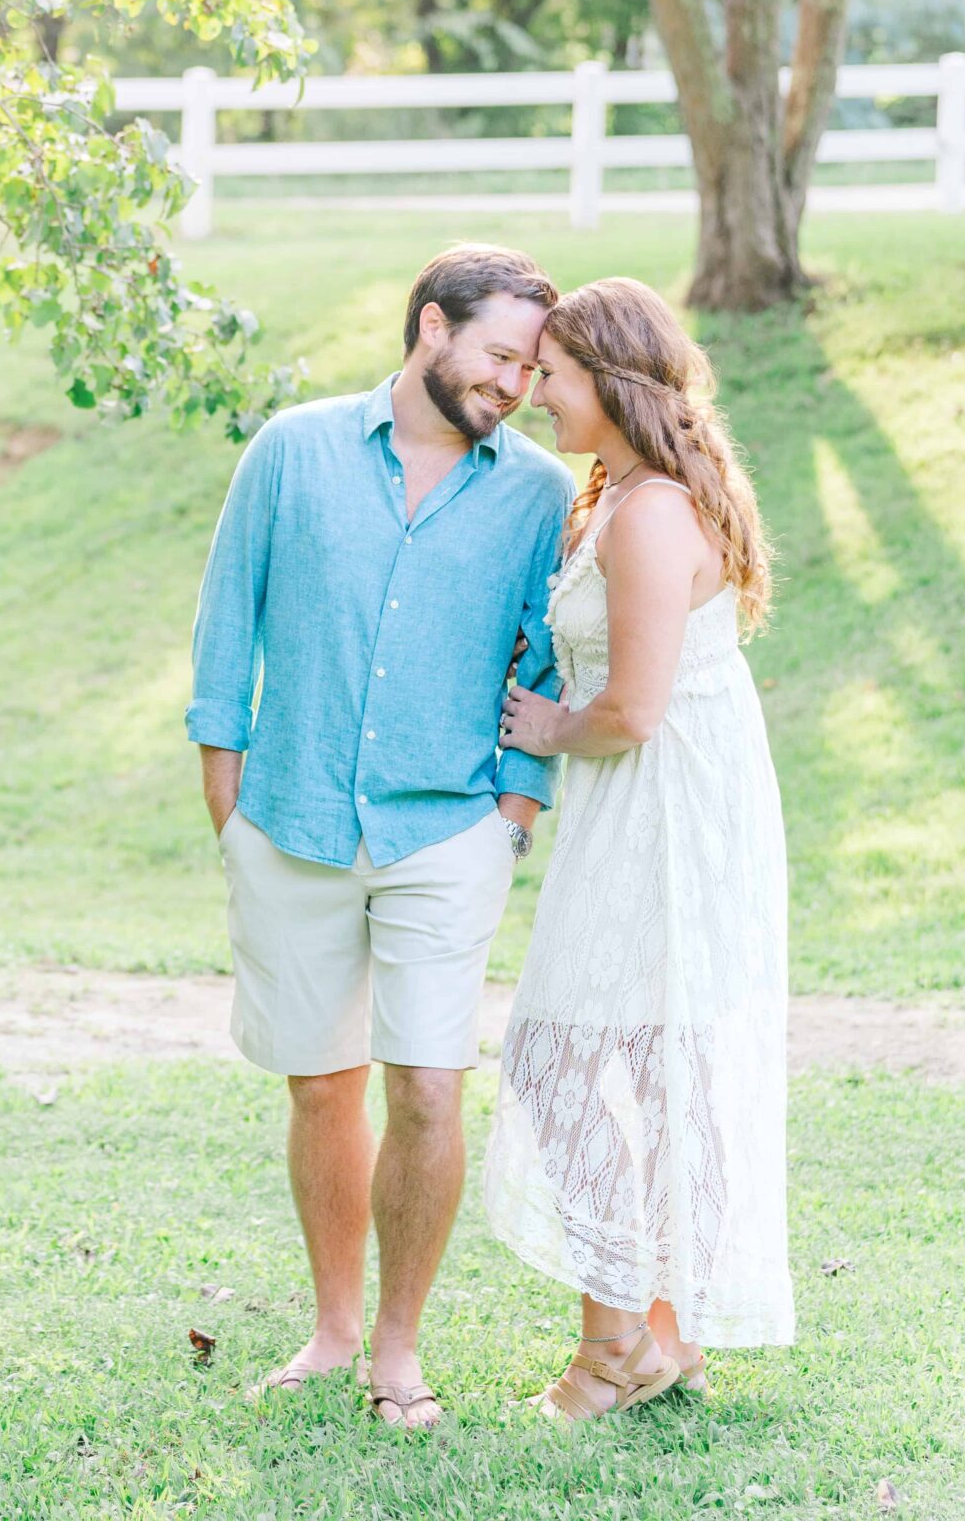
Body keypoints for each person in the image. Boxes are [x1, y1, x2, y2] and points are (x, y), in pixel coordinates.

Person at [187, 242, 574, 1428]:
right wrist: (230, 803)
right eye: (500, 355)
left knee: (429, 1090)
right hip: (289, 820)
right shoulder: (293, 451)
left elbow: (546, 656)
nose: (513, 385)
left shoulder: (541, 494)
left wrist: (510, 815)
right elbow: (225, 622)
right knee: (320, 1089)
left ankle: (397, 1352)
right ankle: (333, 1329)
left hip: (447, 830)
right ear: (429, 328)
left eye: (529, 367)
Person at [485, 275, 793, 1419]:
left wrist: (547, 726)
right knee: (651, 1069)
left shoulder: (655, 508)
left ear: (608, 379)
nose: (533, 397)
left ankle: (622, 1342)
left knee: (561, 1060)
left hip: (667, 809)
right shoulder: (616, 490)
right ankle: (666, 1339)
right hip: (643, 804)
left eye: (551, 375)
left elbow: (633, 709)